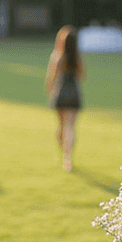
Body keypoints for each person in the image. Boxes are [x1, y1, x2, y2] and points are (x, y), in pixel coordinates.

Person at [45, 25, 85, 172]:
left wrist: (51, 91)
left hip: (60, 93)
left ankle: (64, 154)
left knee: (61, 126)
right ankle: (69, 157)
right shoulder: (78, 57)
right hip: (74, 93)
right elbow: (81, 77)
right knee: (70, 127)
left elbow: (51, 79)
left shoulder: (57, 56)